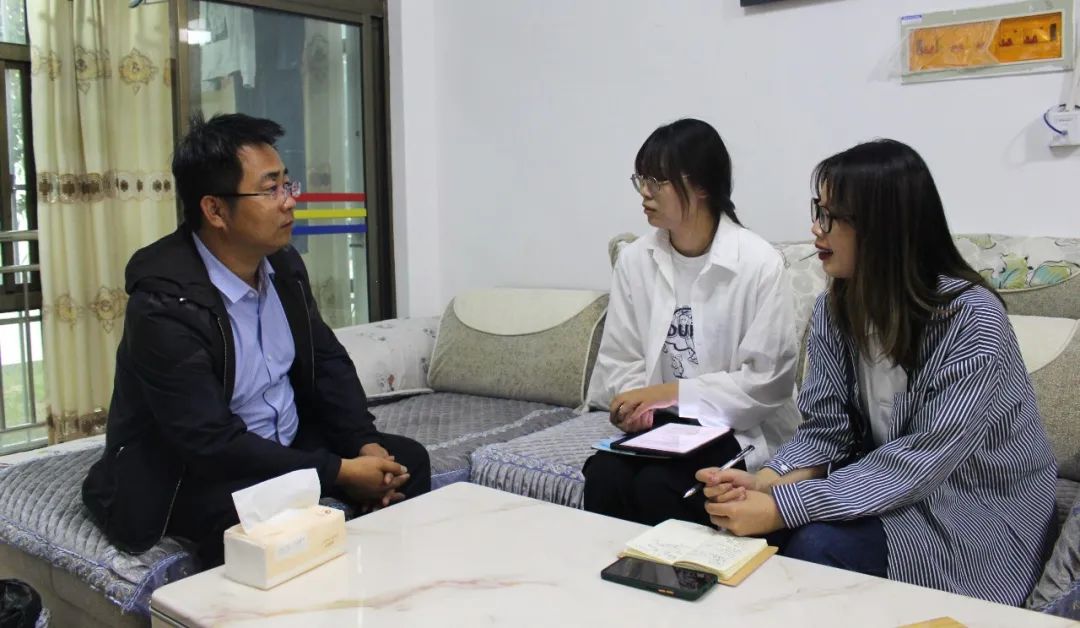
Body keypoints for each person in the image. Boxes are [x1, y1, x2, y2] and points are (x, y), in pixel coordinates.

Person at [696, 139, 1056, 606]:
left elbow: (923, 459)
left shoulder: (971, 319)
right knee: (741, 530)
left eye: (831, 216)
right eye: (818, 210)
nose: (815, 229)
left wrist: (784, 505)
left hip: (975, 504)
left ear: (883, 226)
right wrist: (766, 480)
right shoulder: (834, 310)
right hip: (887, 484)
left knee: (815, 546)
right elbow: (827, 430)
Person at [82, 113, 431, 567]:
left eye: (287, 184)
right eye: (270, 190)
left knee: (405, 463)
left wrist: (364, 444)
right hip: (195, 470)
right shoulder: (164, 305)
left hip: (285, 443)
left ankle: (380, 583)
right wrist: (340, 472)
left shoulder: (283, 266)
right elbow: (210, 442)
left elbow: (327, 362)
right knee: (253, 524)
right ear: (215, 210)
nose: (289, 201)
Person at [582, 118, 801, 527]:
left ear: (701, 186)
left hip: (735, 430)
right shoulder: (636, 260)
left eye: (657, 181)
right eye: (641, 179)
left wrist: (669, 393)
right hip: (662, 428)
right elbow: (620, 357)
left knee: (659, 486)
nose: (645, 193)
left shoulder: (758, 263)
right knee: (604, 476)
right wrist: (635, 405)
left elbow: (767, 382)